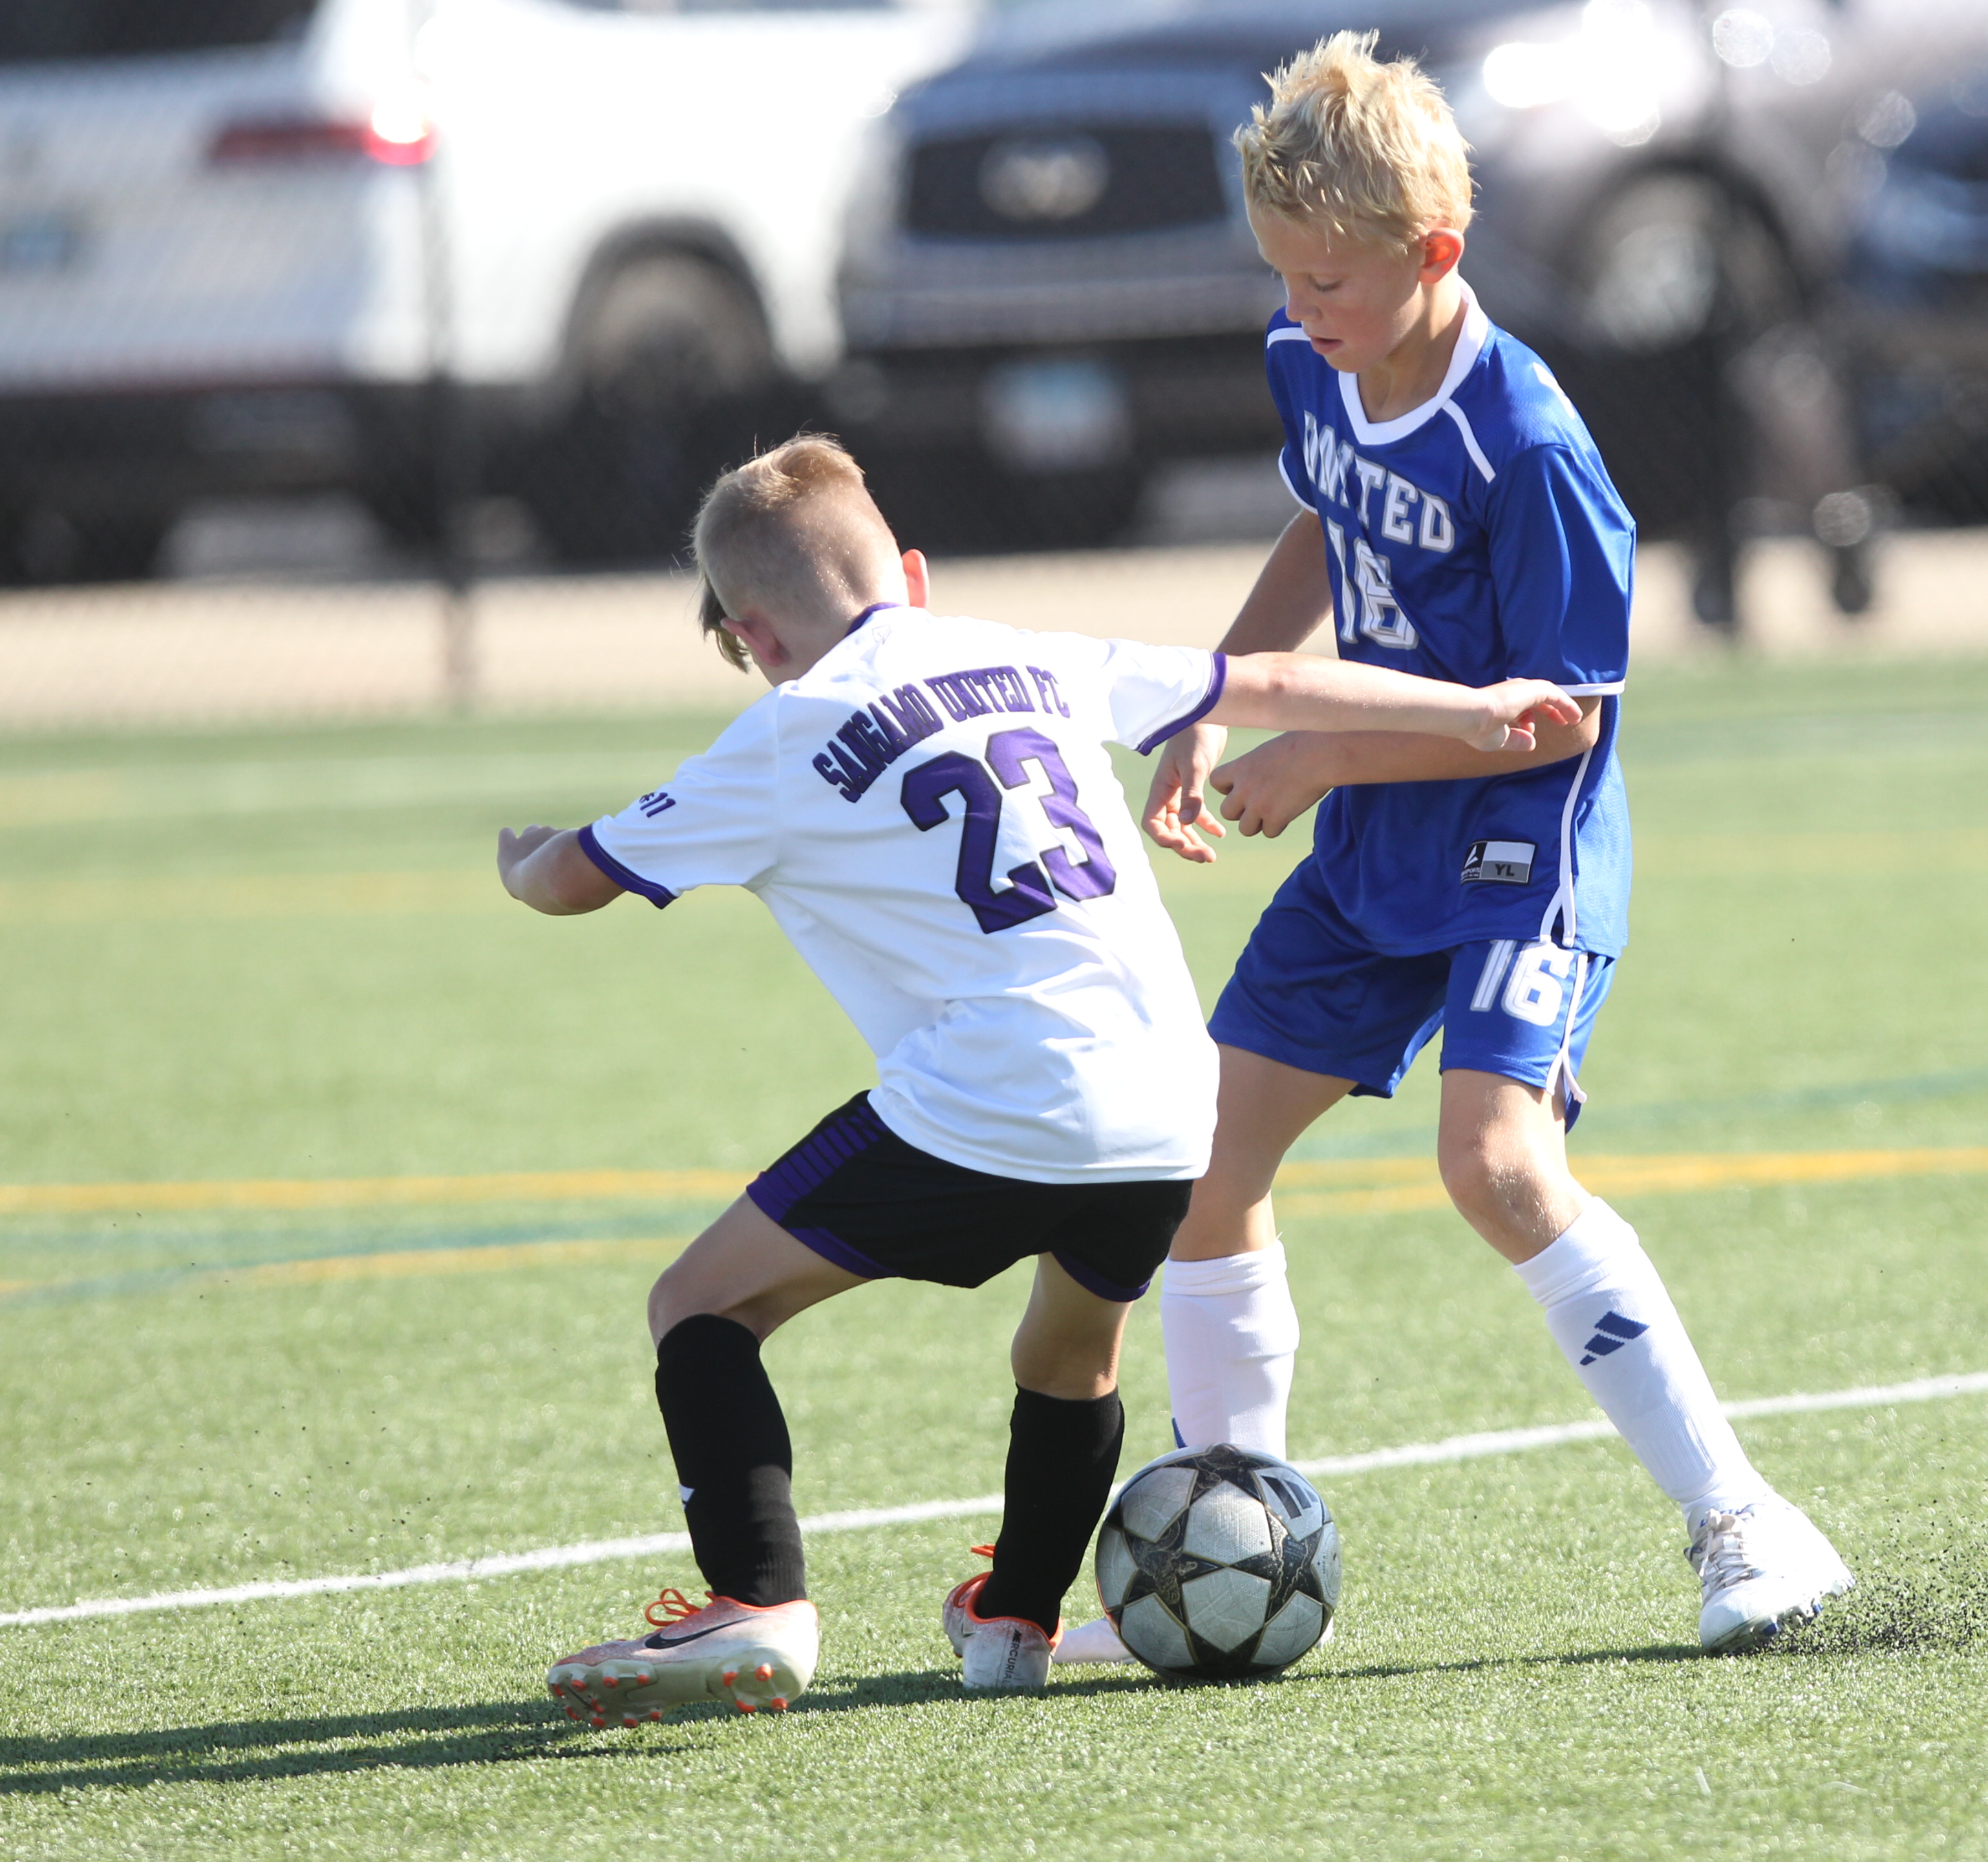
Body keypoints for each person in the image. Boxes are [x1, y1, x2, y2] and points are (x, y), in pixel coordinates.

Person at [498, 435, 1580, 1707]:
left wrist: (523, 857)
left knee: (700, 1307)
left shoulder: (785, 730)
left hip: (992, 1096)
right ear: (912, 575)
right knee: (1070, 1358)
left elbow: (573, 882)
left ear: (755, 637)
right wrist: (1473, 709)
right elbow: (1275, 679)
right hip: (1171, 1103)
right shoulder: (1032, 656)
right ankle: (1014, 1620)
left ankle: (757, 1602)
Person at [1077, 32, 1854, 1662]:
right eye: (1281, 274)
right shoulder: (1316, 356)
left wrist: (1317, 752)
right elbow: (1324, 518)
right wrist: (1219, 701)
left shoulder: (1534, 448)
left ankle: (1744, 1521)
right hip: (1375, 840)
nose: (1299, 309)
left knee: (1495, 1167)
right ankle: (1235, 1531)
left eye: (1328, 279)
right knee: (1203, 1165)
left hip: (1518, 845)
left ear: (1435, 254)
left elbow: (1555, 723)